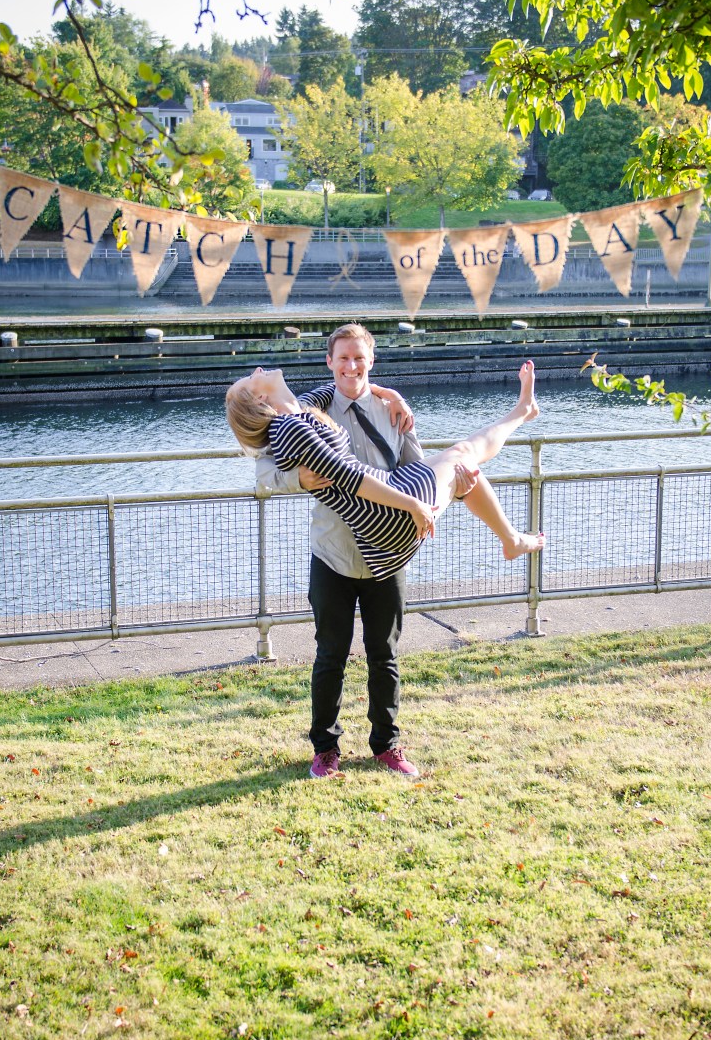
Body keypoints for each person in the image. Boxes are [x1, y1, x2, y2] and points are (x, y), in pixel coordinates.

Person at [227, 324, 544, 778]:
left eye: (359, 358)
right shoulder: (312, 408)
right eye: (343, 359)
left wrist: (452, 484)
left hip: (387, 545)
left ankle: (386, 746)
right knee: (330, 655)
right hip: (335, 553)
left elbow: (413, 461)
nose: (351, 366)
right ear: (329, 363)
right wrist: (299, 479)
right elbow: (263, 471)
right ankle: (326, 750)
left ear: (370, 361)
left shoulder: (389, 408)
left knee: (385, 653)